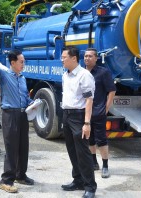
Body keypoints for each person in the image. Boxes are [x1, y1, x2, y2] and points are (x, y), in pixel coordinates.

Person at [0, 31, 34, 193]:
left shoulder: (22, 78)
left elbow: (25, 97)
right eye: (21, 61)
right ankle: (6, 179)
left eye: (24, 61)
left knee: (23, 146)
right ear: (12, 62)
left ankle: (21, 175)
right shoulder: (5, 75)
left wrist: (33, 103)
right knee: (11, 147)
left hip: (22, 115)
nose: (23, 64)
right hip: (10, 115)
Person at [60, 46, 97, 198]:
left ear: (74, 58)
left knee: (83, 152)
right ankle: (78, 180)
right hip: (67, 115)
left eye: (64, 57)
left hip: (79, 116)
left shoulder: (84, 75)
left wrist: (87, 123)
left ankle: (90, 187)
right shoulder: (65, 75)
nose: (62, 60)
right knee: (72, 150)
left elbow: (89, 100)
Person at [84, 48, 116, 178]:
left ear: (96, 58)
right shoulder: (81, 72)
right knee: (89, 139)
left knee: (101, 140)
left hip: (98, 112)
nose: (87, 58)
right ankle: (94, 163)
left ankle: (105, 166)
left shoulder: (103, 73)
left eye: (90, 56)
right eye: (86, 56)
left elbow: (112, 91)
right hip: (86, 112)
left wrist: (106, 109)